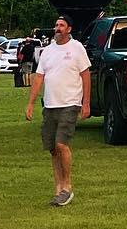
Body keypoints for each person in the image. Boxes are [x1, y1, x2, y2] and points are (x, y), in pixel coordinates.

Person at [25, 15, 91, 208]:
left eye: (62, 25)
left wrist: (86, 102)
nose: (57, 28)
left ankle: (67, 187)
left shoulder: (77, 48)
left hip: (70, 103)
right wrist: (30, 103)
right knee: (53, 149)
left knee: (62, 144)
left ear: (69, 29)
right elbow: (38, 78)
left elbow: (85, 75)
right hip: (50, 105)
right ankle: (58, 189)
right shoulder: (47, 51)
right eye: (56, 25)